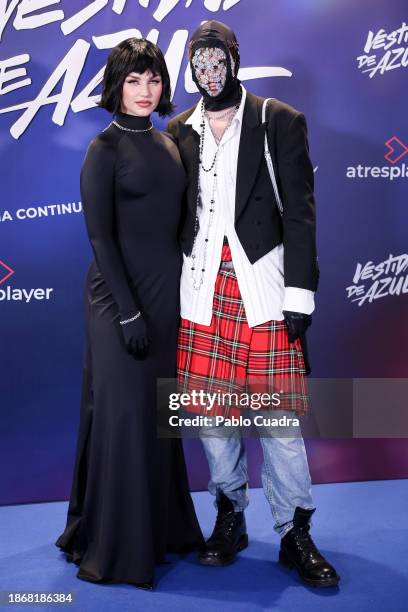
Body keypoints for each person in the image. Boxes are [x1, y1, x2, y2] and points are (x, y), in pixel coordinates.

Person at [167, 21, 340, 588]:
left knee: (278, 422)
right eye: (200, 62)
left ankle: (294, 532)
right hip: (200, 294)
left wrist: (299, 294)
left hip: (262, 288)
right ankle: (230, 516)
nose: (209, 71)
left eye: (218, 60)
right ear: (191, 66)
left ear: (235, 60)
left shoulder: (275, 120)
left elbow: (300, 212)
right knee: (213, 417)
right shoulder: (178, 131)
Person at [55, 37, 203, 589]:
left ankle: (162, 531)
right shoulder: (104, 149)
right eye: (134, 81)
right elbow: (100, 236)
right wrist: (127, 313)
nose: (145, 91)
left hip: (167, 300)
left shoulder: (169, 142)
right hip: (118, 302)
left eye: (154, 80)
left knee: (156, 420)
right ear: (115, 86)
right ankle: (117, 546)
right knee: (122, 420)